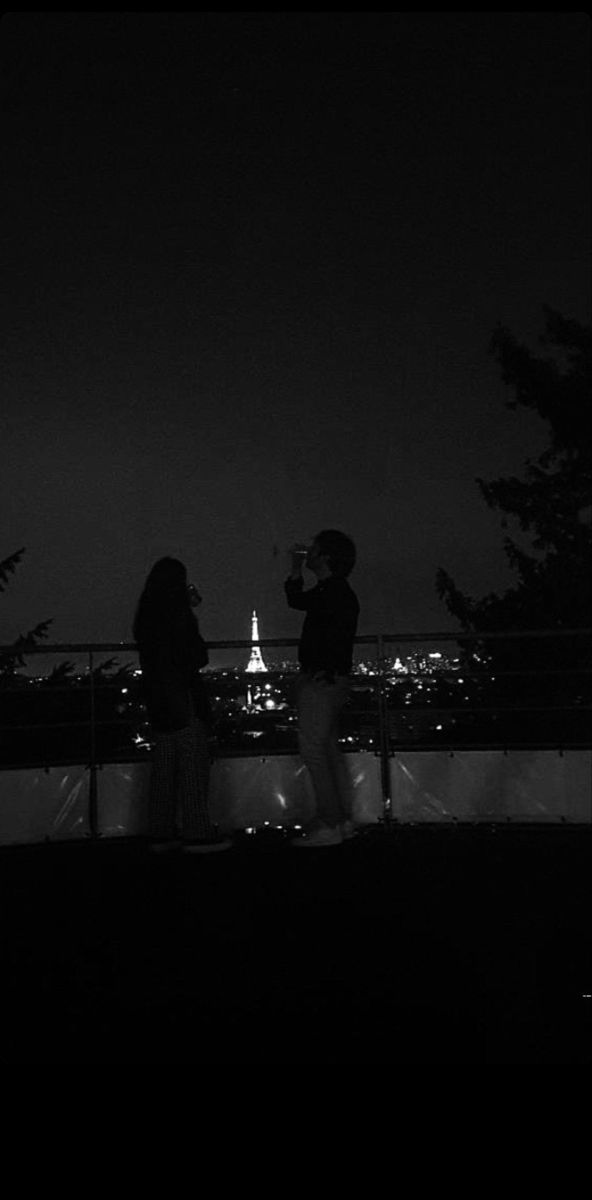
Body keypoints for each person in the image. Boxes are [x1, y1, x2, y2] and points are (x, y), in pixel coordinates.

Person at [133, 557, 231, 853]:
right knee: (192, 765)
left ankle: (160, 832)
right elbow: (197, 656)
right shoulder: (177, 615)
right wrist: (190, 612)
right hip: (182, 695)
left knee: (164, 766)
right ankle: (197, 832)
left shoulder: (146, 614)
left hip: (158, 698)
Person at [285, 530, 360, 847]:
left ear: (326, 556)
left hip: (322, 681)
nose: (309, 552)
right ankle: (340, 820)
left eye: (314, 549)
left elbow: (298, 602)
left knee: (314, 750)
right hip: (328, 679)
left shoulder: (334, 593)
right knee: (327, 749)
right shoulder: (335, 591)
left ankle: (330, 823)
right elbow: (297, 600)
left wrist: (324, 671)